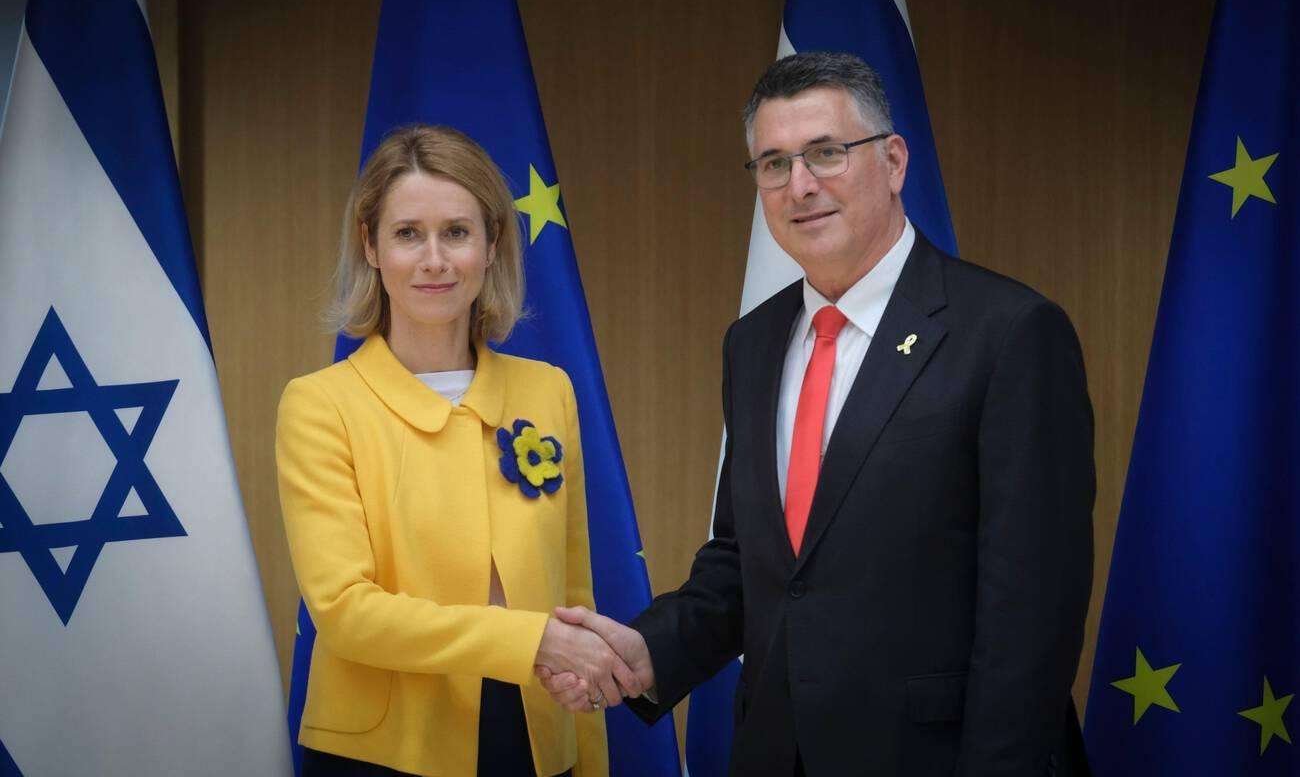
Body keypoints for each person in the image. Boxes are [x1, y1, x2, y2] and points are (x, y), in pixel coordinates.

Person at [539, 53, 1095, 776]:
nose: (800, 185)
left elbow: (1032, 611)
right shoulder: (754, 342)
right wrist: (649, 651)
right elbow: (753, 562)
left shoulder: (1009, 332)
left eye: (826, 153)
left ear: (894, 162)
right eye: (774, 163)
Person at [276, 125, 638, 777]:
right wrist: (532, 639)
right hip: (379, 753)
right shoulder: (319, 404)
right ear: (371, 246)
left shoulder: (548, 390)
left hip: (536, 736)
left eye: (457, 232)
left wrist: (588, 758)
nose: (434, 259)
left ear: (492, 243)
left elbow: (574, 594)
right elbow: (347, 613)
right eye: (408, 233)